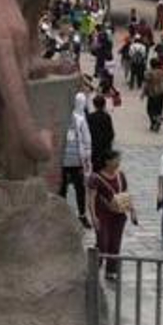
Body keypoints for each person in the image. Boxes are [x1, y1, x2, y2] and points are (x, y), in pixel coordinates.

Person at [88, 150, 137, 281]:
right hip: (102, 215)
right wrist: (93, 216)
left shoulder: (121, 175)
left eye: (119, 160)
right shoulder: (95, 178)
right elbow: (91, 198)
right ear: (107, 161)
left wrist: (132, 211)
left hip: (118, 215)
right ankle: (94, 266)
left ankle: (111, 271)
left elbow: (125, 194)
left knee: (115, 244)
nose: (118, 163)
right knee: (102, 243)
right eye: (116, 160)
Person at [61, 92, 93, 229]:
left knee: (80, 188)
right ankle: (60, 215)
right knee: (61, 189)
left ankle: (82, 214)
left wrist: (86, 157)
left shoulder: (79, 120)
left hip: (76, 160)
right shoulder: (60, 120)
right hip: (61, 160)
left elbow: (87, 139)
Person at [87, 94, 115, 170]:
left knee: (95, 169)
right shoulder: (107, 117)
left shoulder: (90, 117)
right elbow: (111, 133)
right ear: (104, 105)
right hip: (105, 148)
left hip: (94, 148)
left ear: (94, 105)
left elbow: (88, 133)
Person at [143, 58, 163, 133]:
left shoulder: (148, 73)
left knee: (150, 109)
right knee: (159, 109)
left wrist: (143, 93)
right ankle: (157, 121)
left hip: (153, 94)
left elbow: (147, 84)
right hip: (162, 93)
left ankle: (153, 122)